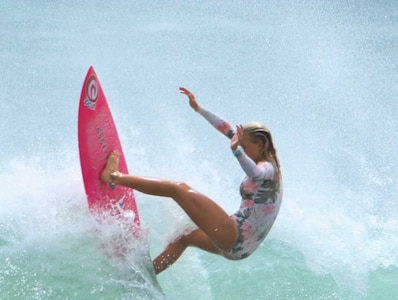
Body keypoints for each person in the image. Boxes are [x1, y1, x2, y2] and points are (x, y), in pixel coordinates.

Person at [101, 87, 282, 274]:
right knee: (184, 237)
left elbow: (255, 173)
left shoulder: (268, 168)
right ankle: (145, 275)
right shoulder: (267, 164)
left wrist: (237, 151)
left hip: (235, 236)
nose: (241, 148)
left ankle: (114, 176)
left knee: (177, 189)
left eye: (244, 146)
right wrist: (198, 108)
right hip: (241, 250)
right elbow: (227, 129)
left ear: (259, 144)